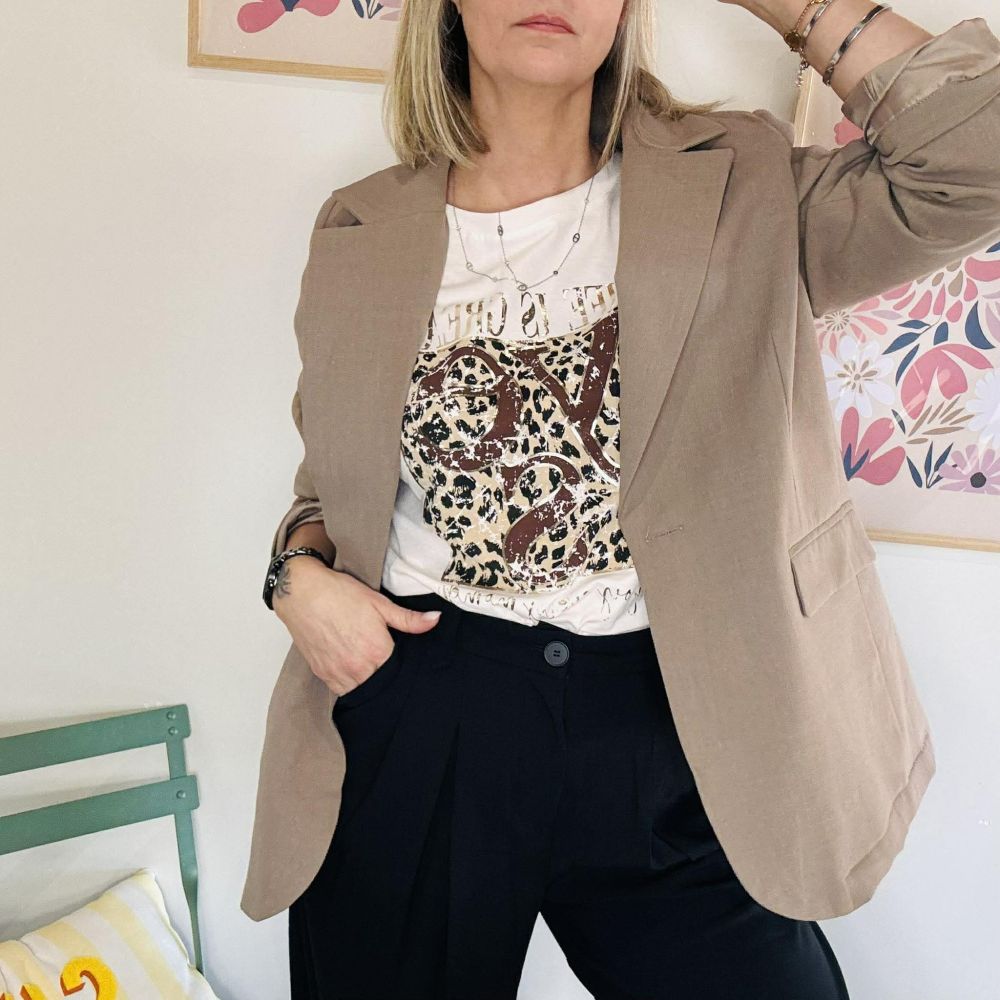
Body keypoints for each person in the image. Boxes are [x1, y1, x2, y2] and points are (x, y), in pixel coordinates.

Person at [244, 0, 1000, 996]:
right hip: (424, 700)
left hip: (680, 710)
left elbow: (977, 158)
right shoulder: (359, 227)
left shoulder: (740, 187)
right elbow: (332, 488)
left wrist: (796, 8)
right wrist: (294, 573)